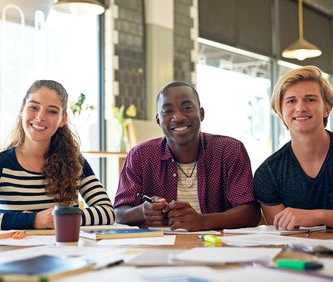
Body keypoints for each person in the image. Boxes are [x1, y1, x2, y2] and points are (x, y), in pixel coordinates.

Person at [114, 81, 260, 231]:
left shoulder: (229, 150)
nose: (178, 117)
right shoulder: (140, 156)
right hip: (160, 248)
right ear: (158, 120)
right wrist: (143, 212)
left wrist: (202, 222)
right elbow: (119, 212)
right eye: (167, 111)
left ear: (201, 114)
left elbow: (250, 213)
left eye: (187, 108)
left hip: (216, 248)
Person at [0, 80, 115, 230]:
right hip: (15, 252)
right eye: (34, 107)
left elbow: (107, 212)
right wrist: (34, 220)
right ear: (22, 110)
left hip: (66, 251)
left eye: (52, 111)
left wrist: (59, 217)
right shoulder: (3, 163)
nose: (40, 117)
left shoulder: (75, 162)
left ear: (63, 119)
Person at [254, 66, 333, 231]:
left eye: (310, 99)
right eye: (291, 101)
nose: (301, 108)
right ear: (280, 112)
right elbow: (283, 232)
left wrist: (318, 216)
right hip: (299, 254)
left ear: (327, 109)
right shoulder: (268, 173)